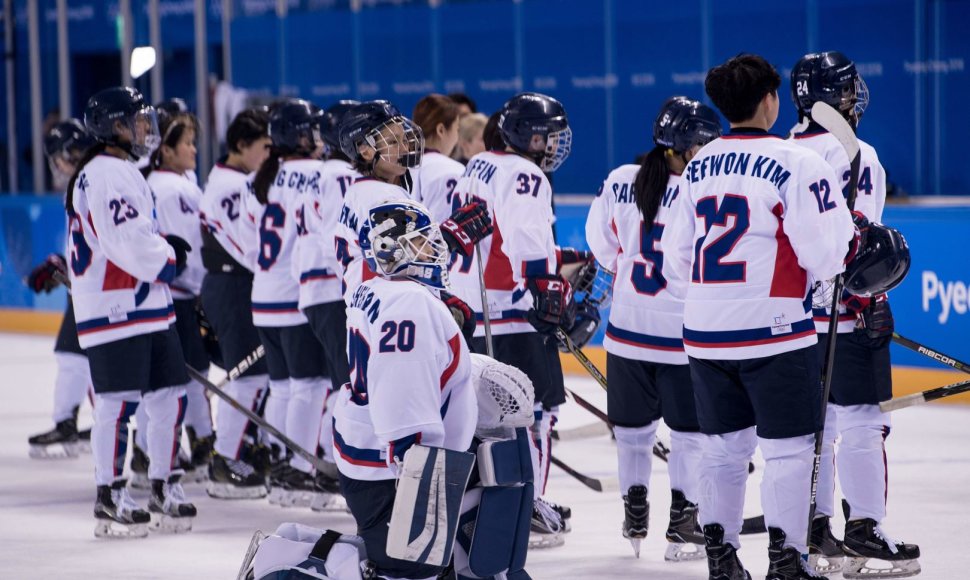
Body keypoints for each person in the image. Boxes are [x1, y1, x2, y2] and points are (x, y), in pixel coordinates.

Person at [659, 54, 857, 580]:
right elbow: (825, 255)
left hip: (704, 334)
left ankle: (721, 558)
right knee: (790, 452)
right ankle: (786, 558)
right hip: (775, 333)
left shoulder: (697, 165)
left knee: (723, 450)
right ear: (770, 100)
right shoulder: (799, 162)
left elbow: (675, 258)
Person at [791, 51, 920, 579]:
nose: (853, 100)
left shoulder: (780, 151)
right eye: (846, 91)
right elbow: (861, 246)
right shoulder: (857, 154)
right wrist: (874, 302)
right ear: (833, 98)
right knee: (864, 425)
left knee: (812, 429)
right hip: (848, 317)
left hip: (793, 322)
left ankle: (816, 531)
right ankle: (866, 530)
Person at [448, 92, 590, 548]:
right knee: (535, 416)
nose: (552, 144)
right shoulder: (526, 174)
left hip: (474, 311)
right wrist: (545, 288)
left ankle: (492, 505)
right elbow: (526, 242)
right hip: (514, 312)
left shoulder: (478, 164)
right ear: (524, 134)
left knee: (484, 419)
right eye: (547, 135)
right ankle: (525, 507)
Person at [586, 96, 722, 561]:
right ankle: (684, 525)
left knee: (632, 434)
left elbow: (601, 247)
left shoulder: (621, 179)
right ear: (687, 146)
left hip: (626, 331)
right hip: (681, 336)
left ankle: (635, 512)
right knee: (689, 436)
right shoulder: (703, 189)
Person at [68, 86, 197, 537]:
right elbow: (126, 240)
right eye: (137, 121)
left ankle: (163, 482)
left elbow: (136, 233)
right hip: (116, 307)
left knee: (169, 396)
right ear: (114, 127)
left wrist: (164, 250)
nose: (147, 128)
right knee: (118, 405)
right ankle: (109, 493)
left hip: (145, 305)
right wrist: (167, 257)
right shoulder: (106, 174)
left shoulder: (119, 169)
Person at [333, 198, 477, 580]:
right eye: (423, 242)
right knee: (414, 571)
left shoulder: (374, 286)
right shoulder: (410, 307)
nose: (435, 250)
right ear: (395, 250)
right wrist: (415, 493)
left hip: (366, 455)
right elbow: (403, 402)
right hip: (390, 471)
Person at [246, 98, 336, 508]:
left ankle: (283, 466)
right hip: (294, 296)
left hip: (262, 295)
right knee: (311, 386)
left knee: (283, 387)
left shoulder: (260, 179)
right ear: (298, 135)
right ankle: (300, 470)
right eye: (311, 130)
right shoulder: (317, 173)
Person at [333, 100, 491, 313]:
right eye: (393, 141)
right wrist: (451, 236)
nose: (405, 147)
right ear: (366, 151)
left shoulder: (359, 191)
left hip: (370, 306)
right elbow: (400, 259)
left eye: (404, 138)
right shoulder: (383, 196)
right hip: (392, 308)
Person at [199, 107, 274, 499]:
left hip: (235, 285)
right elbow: (250, 248)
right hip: (232, 287)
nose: (269, 154)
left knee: (255, 377)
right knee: (247, 379)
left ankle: (242, 450)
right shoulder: (230, 186)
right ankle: (225, 460)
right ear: (242, 146)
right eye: (264, 146)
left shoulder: (233, 179)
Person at [290, 99, 360, 498]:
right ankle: (333, 469)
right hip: (333, 292)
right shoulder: (337, 176)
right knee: (345, 384)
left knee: (335, 384)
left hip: (318, 290)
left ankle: (326, 466)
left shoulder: (322, 172)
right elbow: (338, 240)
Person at [142, 110, 215, 482]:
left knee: (161, 379)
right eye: (187, 143)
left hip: (162, 295)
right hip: (180, 296)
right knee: (191, 375)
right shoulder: (176, 189)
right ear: (166, 150)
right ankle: (202, 443)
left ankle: (145, 451)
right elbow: (193, 248)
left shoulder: (155, 183)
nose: (193, 150)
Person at [26, 119, 97, 459]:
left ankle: (114, 425)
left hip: (105, 294)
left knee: (95, 357)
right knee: (70, 351)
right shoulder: (81, 185)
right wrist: (62, 263)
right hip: (89, 289)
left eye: (58, 158)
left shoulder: (91, 183)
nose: (56, 166)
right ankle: (68, 420)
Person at [411, 93, 464, 223]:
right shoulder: (452, 170)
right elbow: (444, 232)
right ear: (441, 130)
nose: (457, 137)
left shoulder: (396, 168)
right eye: (457, 129)